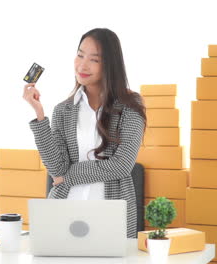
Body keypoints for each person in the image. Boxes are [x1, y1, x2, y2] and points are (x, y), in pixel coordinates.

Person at [23, 28, 146, 238]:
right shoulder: (64, 109)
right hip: (63, 210)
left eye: (94, 59)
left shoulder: (130, 107)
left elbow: (121, 166)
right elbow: (56, 167)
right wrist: (39, 114)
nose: (82, 65)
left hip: (110, 216)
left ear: (110, 65)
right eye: (80, 55)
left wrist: (67, 176)